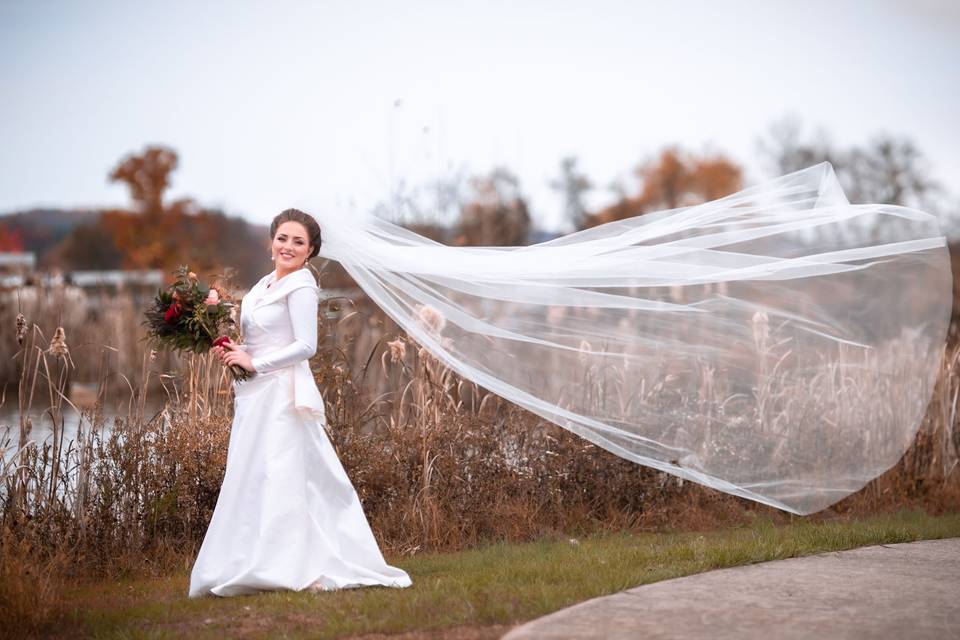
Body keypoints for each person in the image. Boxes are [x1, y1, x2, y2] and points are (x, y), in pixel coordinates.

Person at [188, 208, 412, 597]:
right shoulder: (263, 285)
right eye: (283, 238)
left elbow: (305, 346)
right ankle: (247, 557)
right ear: (271, 240)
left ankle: (291, 564)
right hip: (254, 395)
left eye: (298, 242)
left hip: (282, 396)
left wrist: (255, 362)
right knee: (253, 473)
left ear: (310, 252)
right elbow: (260, 338)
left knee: (283, 474)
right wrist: (235, 350)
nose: (288, 246)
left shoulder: (302, 286)